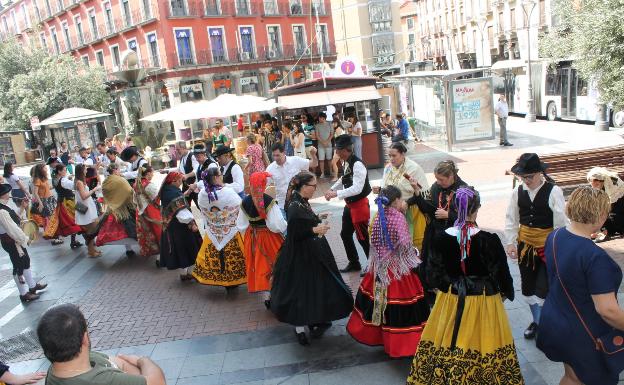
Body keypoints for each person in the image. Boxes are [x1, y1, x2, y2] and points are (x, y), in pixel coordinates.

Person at [406, 186, 522, 385]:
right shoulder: (490, 240)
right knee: (486, 343)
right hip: (484, 300)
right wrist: (502, 294)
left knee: (448, 340)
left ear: (454, 207)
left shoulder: (440, 238)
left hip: (451, 299)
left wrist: (447, 286)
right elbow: (502, 275)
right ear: (477, 208)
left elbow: (432, 274)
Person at [537, 186, 624, 385]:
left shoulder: (555, 236)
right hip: (585, 335)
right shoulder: (595, 257)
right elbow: (607, 310)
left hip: (556, 322)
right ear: (601, 215)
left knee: (573, 377)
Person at [270, 171, 354, 346]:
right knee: (301, 293)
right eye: (313, 186)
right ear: (303, 186)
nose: (315, 189)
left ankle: (317, 319)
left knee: (314, 288)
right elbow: (294, 233)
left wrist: (318, 220)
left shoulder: (300, 201)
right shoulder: (294, 206)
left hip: (311, 252)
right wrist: (314, 230)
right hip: (301, 256)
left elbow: (305, 222)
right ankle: (300, 328)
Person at [346, 186, 430, 358]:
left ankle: (380, 338)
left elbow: (374, 243)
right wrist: (415, 254)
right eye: (401, 200)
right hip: (398, 271)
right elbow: (405, 246)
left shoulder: (379, 217)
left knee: (380, 305)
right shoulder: (398, 218)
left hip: (380, 268)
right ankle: (402, 344)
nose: (403, 202)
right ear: (396, 201)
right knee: (402, 309)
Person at [504, 153, 568, 340]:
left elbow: (560, 224)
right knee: (528, 286)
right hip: (526, 247)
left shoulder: (553, 191)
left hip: (548, 247)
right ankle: (537, 321)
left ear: (540, 173)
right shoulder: (517, 192)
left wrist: (558, 248)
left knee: (544, 287)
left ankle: (548, 323)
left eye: (529, 176)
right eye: (523, 177)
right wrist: (510, 242)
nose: (526, 180)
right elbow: (511, 219)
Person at [37, 304, 166, 385]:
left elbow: (119, 362)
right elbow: (158, 381)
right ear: (85, 339)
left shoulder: (55, 371)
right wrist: (142, 361)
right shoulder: (104, 380)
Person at [407, 160, 467, 300]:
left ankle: (453, 299)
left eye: (442, 179)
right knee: (432, 271)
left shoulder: (464, 190)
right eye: (437, 179)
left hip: (454, 238)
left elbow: (468, 217)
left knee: (452, 270)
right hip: (435, 235)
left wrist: (449, 215)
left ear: (451, 176)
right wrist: (417, 191)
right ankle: (437, 299)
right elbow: (428, 209)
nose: (438, 182)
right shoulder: (436, 188)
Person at [192, 168, 247, 291]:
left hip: (213, 231)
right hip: (231, 231)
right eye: (220, 175)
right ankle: (233, 281)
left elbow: (204, 210)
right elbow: (240, 206)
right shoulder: (227, 192)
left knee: (216, 256)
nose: (222, 177)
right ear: (216, 177)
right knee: (233, 256)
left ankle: (219, 279)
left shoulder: (202, 194)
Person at [237, 171, 286, 306]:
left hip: (252, 237)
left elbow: (241, 225)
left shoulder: (245, 201)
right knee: (275, 263)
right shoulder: (269, 201)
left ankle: (267, 297)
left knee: (259, 265)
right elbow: (277, 225)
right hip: (269, 237)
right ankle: (277, 296)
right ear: (263, 184)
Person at [326, 135, 372, 273]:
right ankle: (354, 262)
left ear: (345, 150)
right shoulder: (346, 161)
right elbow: (343, 178)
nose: (336, 153)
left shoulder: (357, 164)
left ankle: (372, 265)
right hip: (350, 206)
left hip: (360, 206)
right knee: (345, 234)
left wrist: (337, 194)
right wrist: (332, 188)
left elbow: (358, 188)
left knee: (363, 238)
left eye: (337, 150)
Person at [375, 142, 429, 250]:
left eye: (394, 155)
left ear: (403, 154)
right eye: (389, 156)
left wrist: (407, 203)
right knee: (392, 240)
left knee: (412, 241)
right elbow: (387, 187)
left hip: (409, 208)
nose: (391, 159)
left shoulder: (414, 168)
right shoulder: (388, 168)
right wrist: (380, 190)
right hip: (390, 209)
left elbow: (422, 193)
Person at [0, 183, 48, 302]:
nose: (9, 194)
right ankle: (23, 294)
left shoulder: (4, 207)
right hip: (12, 241)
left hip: (14, 240)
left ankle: (32, 286)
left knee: (25, 261)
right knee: (18, 267)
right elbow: (12, 228)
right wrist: (24, 238)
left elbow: (14, 218)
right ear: (4, 195)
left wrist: (22, 207)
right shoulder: (1, 211)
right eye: (7, 192)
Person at [158, 171, 202, 281]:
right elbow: (181, 212)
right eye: (179, 181)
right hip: (181, 226)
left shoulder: (166, 190)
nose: (180, 183)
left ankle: (183, 273)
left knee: (180, 249)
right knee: (190, 248)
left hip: (172, 226)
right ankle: (191, 273)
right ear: (174, 181)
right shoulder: (173, 193)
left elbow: (175, 204)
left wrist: (184, 194)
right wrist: (191, 224)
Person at [266, 143, 318, 217]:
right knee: (285, 228)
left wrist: (313, 155)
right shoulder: (270, 168)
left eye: (277, 155)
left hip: (299, 204)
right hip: (282, 205)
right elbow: (264, 185)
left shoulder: (295, 160)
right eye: (273, 155)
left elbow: (314, 164)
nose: (275, 158)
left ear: (284, 152)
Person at [96, 172, 138, 257]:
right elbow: (129, 191)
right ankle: (130, 249)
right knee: (131, 230)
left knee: (127, 231)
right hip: (124, 211)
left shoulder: (111, 183)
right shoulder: (120, 182)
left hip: (118, 211)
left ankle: (129, 250)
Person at [45, 164, 83, 249]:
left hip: (61, 202)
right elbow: (74, 186)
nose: (66, 172)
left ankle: (74, 241)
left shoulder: (55, 179)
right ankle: (86, 239)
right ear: (59, 171)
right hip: (68, 202)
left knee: (73, 220)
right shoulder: (63, 181)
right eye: (64, 170)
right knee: (77, 218)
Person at [586, 166, 624, 242]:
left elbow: (611, 202)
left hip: (621, 199)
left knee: (613, 216)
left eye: (595, 184)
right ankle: (609, 232)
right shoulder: (601, 183)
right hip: (615, 201)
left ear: (600, 181)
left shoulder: (611, 183)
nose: (593, 186)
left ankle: (610, 232)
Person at [31, 163, 64, 245]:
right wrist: (40, 203)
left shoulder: (44, 178)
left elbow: (49, 188)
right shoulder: (37, 179)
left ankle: (55, 236)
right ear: (40, 170)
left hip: (50, 199)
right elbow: (35, 193)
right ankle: (53, 238)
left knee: (53, 218)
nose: (46, 169)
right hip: (44, 201)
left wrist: (58, 183)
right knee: (50, 219)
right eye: (44, 168)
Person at [74, 164, 102, 257]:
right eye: (85, 170)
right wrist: (94, 190)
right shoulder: (79, 182)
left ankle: (92, 250)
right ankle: (91, 251)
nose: (86, 171)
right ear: (81, 171)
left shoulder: (80, 181)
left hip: (85, 207)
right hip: (85, 208)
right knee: (91, 230)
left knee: (91, 229)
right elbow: (84, 196)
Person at [134, 165, 162, 259]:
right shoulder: (149, 185)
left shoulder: (136, 184)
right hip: (151, 211)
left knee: (147, 233)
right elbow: (157, 197)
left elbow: (134, 200)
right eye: (152, 172)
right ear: (148, 173)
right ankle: (160, 256)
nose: (153, 174)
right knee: (157, 231)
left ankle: (153, 252)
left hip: (141, 212)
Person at [315, 112, 334, 178]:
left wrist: (327, 141)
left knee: (329, 159)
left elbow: (332, 134)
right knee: (321, 160)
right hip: (320, 145)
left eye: (320, 118)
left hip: (329, 145)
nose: (319, 119)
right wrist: (323, 142)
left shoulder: (330, 124)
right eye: (319, 118)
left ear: (323, 118)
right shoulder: (317, 125)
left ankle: (331, 172)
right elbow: (317, 135)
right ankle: (322, 173)